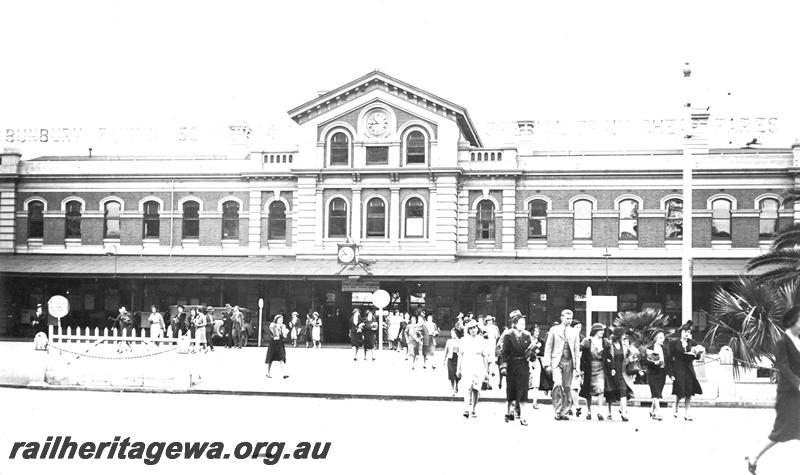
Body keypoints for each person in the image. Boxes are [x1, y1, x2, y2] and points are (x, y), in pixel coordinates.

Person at [746, 305, 800, 474]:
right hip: (788, 394)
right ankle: (755, 456)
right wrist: (798, 383)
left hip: (797, 393)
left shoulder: (799, 339)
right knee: (780, 432)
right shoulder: (782, 342)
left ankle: (754, 456)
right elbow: (783, 367)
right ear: (793, 322)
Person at [543, 309, 581, 420]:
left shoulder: (574, 332)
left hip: (569, 362)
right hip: (557, 362)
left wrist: (577, 367)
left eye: (570, 318)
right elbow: (548, 348)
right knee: (558, 384)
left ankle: (565, 411)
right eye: (567, 318)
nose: (569, 320)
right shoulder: (554, 330)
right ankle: (557, 410)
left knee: (568, 387)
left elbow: (576, 351)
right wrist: (547, 364)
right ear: (561, 318)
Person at [666, 320, 704, 420]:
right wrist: (670, 373)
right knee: (680, 391)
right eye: (685, 332)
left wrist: (698, 354)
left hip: (689, 369)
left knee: (689, 391)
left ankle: (687, 413)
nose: (686, 334)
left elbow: (697, 357)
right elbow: (670, 358)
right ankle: (676, 406)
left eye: (688, 332)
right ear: (681, 332)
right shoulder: (674, 343)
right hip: (678, 369)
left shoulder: (692, 343)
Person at [501, 314, 533, 426]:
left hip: (523, 365)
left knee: (523, 391)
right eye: (520, 323)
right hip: (511, 365)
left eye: (524, 323)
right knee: (511, 390)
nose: (523, 326)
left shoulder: (527, 335)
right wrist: (504, 366)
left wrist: (533, 353)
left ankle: (523, 417)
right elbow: (503, 353)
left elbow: (531, 353)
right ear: (515, 324)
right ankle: (508, 411)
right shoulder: (508, 335)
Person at [579, 323, 615, 420]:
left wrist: (612, 368)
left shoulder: (605, 342)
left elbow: (610, 356)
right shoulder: (587, 341)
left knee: (601, 388)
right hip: (589, 368)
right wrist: (581, 369)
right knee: (588, 389)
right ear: (595, 331)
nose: (602, 332)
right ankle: (589, 411)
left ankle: (600, 411)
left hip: (601, 368)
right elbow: (579, 351)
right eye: (600, 330)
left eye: (603, 330)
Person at [457, 320, 489, 418]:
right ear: (468, 330)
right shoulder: (463, 340)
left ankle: (474, 409)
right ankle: (466, 409)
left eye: (474, 328)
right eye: (470, 328)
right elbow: (460, 355)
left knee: (476, 389)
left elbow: (485, 357)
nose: (473, 330)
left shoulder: (482, 340)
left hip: (478, 367)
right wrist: (458, 369)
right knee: (467, 387)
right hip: (467, 366)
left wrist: (486, 371)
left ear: (477, 329)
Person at [607, 327, 634, 421]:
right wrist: (611, 367)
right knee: (611, 391)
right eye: (623, 334)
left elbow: (633, 354)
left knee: (623, 390)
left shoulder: (624, 345)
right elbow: (608, 357)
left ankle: (623, 412)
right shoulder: (610, 344)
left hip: (622, 372)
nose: (624, 336)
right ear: (618, 335)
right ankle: (609, 411)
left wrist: (628, 347)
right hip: (612, 371)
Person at [644, 330, 667, 420]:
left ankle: (652, 411)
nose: (662, 339)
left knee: (658, 392)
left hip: (662, 373)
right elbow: (646, 361)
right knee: (655, 392)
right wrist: (655, 363)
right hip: (652, 373)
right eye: (660, 337)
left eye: (663, 337)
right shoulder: (650, 348)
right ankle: (658, 412)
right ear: (655, 338)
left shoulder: (664, 349)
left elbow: (668, 361)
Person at [529, 324, 545, 409]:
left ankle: (535, 401)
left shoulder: (541, 341)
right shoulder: (527, 339)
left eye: (538, 331)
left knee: (536, 382)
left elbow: (543, 353)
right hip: (527, 361)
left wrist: (538, 351)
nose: (537, 333)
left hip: (536, 361)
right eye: (535, 331)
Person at [442, 328, 462, 396]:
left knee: (457, 374)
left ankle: (457, 385)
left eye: (453, 333)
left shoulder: (460, 341)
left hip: (457, 358)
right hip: (450, 358)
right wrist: (444, 360)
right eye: (451, 333)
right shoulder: (449, 341)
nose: (452, 334)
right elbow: (446, 351)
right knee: (451, 374)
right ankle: (452, 389)